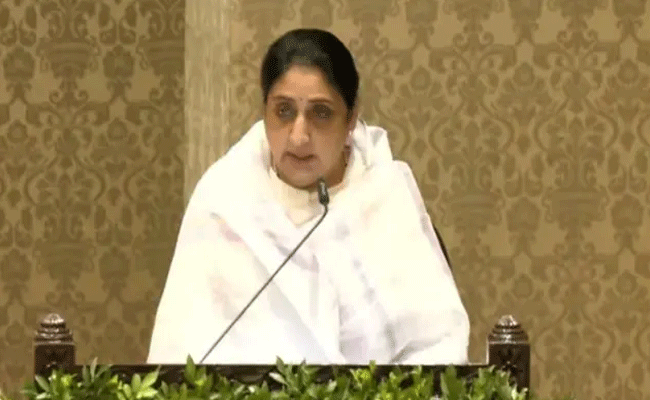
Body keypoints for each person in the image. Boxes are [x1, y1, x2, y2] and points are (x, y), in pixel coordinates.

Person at [147, 28, 470, 365]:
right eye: (284, 111)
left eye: (321, 113)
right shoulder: (226, 202)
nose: (299, 137)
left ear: (351, 119)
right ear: (264, 111)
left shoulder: (385, 197)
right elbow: (180, 356)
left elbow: (438, 347)